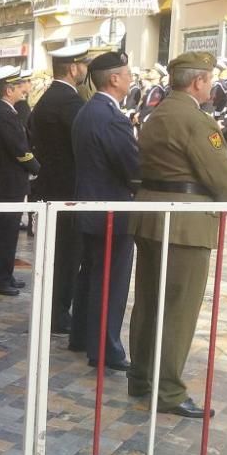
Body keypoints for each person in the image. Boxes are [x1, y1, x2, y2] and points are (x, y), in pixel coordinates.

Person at [128, 51, 227, 418]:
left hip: (150, 214)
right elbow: (220, 175)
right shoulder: (197, 120)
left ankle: (141, 378)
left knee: (148, 302)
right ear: (198, 82)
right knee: (178, 309)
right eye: (208, 79)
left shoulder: (156, 113)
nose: (210, 86)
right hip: (186, 223)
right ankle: (169, 392)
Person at [70, 52, 140, 371]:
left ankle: (82, 336)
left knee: (92, 275)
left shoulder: (89, 110)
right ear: (114, 79)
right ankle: (105, 348)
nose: (131, 78)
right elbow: (132, 168)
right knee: (110, 281)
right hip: (111, 211)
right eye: (127, 73)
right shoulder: (112, 116)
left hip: (90, 207)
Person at [30, 44, 88, 332]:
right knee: (66, 256)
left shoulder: (46, 99)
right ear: (73, 68)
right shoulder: (70, 103)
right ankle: (58, 314)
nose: (85, 70)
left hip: (49, 184)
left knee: (54, 254)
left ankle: (51, 310)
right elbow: (83, 145)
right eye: (83, 65)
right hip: (67, 189)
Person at [0, 66, 40, 296]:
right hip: (7, 181)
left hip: (6, 180)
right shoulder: (2, 114)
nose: (22, 91)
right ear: (8, 90)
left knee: (9, 231)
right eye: (18, 87)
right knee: (4, 232)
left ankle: (4, 274)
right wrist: (35, 167)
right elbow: (18, 147)